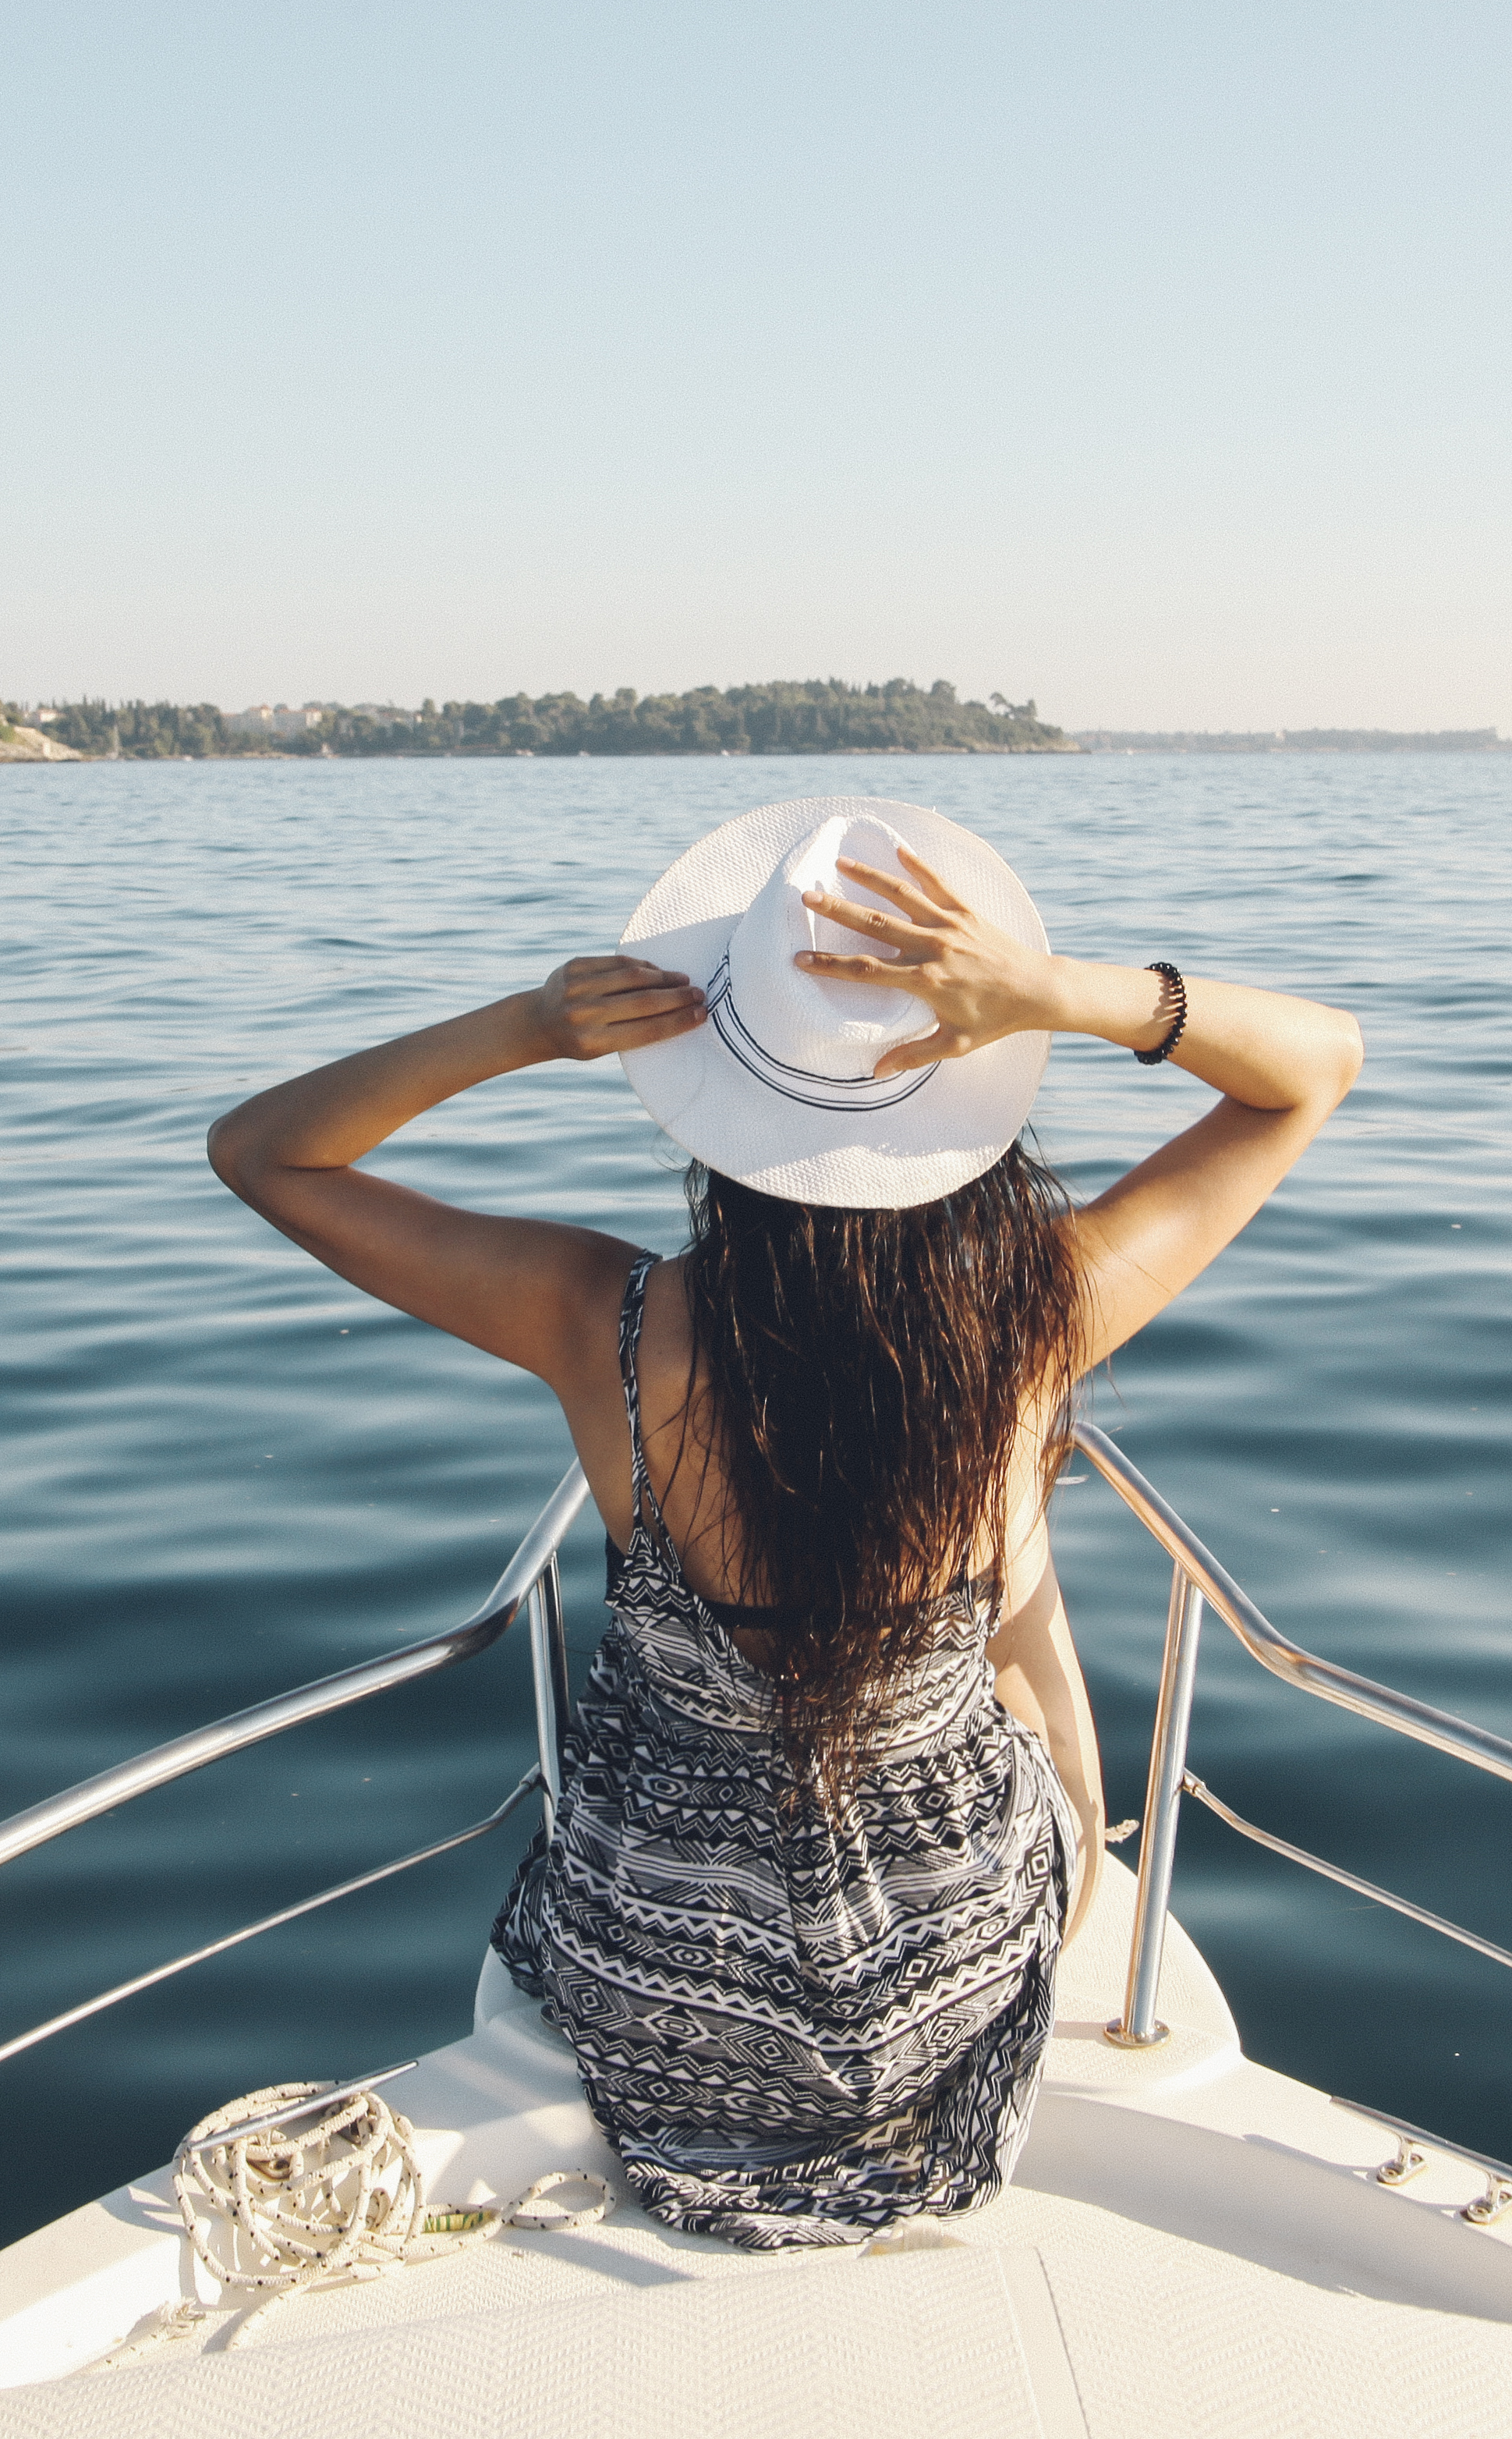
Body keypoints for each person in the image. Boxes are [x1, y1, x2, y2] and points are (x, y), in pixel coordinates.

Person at [207, 796, 1360, 2249]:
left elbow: (263, 1152)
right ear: (974, 1085)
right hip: (945, 1967)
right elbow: (1316, 1064)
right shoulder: (1039, 1318)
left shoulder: (600, 1324)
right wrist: (1060, 995)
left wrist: (525, 1026)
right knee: (1019, 1611)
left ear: (716, 1094)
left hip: (660, 1977)